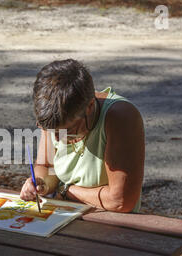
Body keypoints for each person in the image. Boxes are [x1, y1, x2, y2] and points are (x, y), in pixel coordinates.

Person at [20, 59, 144, 212]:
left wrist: (66, 191)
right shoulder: (54, 117)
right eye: (52, 132)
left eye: (68, 130)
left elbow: (120, 200)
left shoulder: (120, 117)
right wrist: (41, 184)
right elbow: (46, 166)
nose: (57, 139)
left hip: (110, 222)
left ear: (90, 107)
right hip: (65, 212)